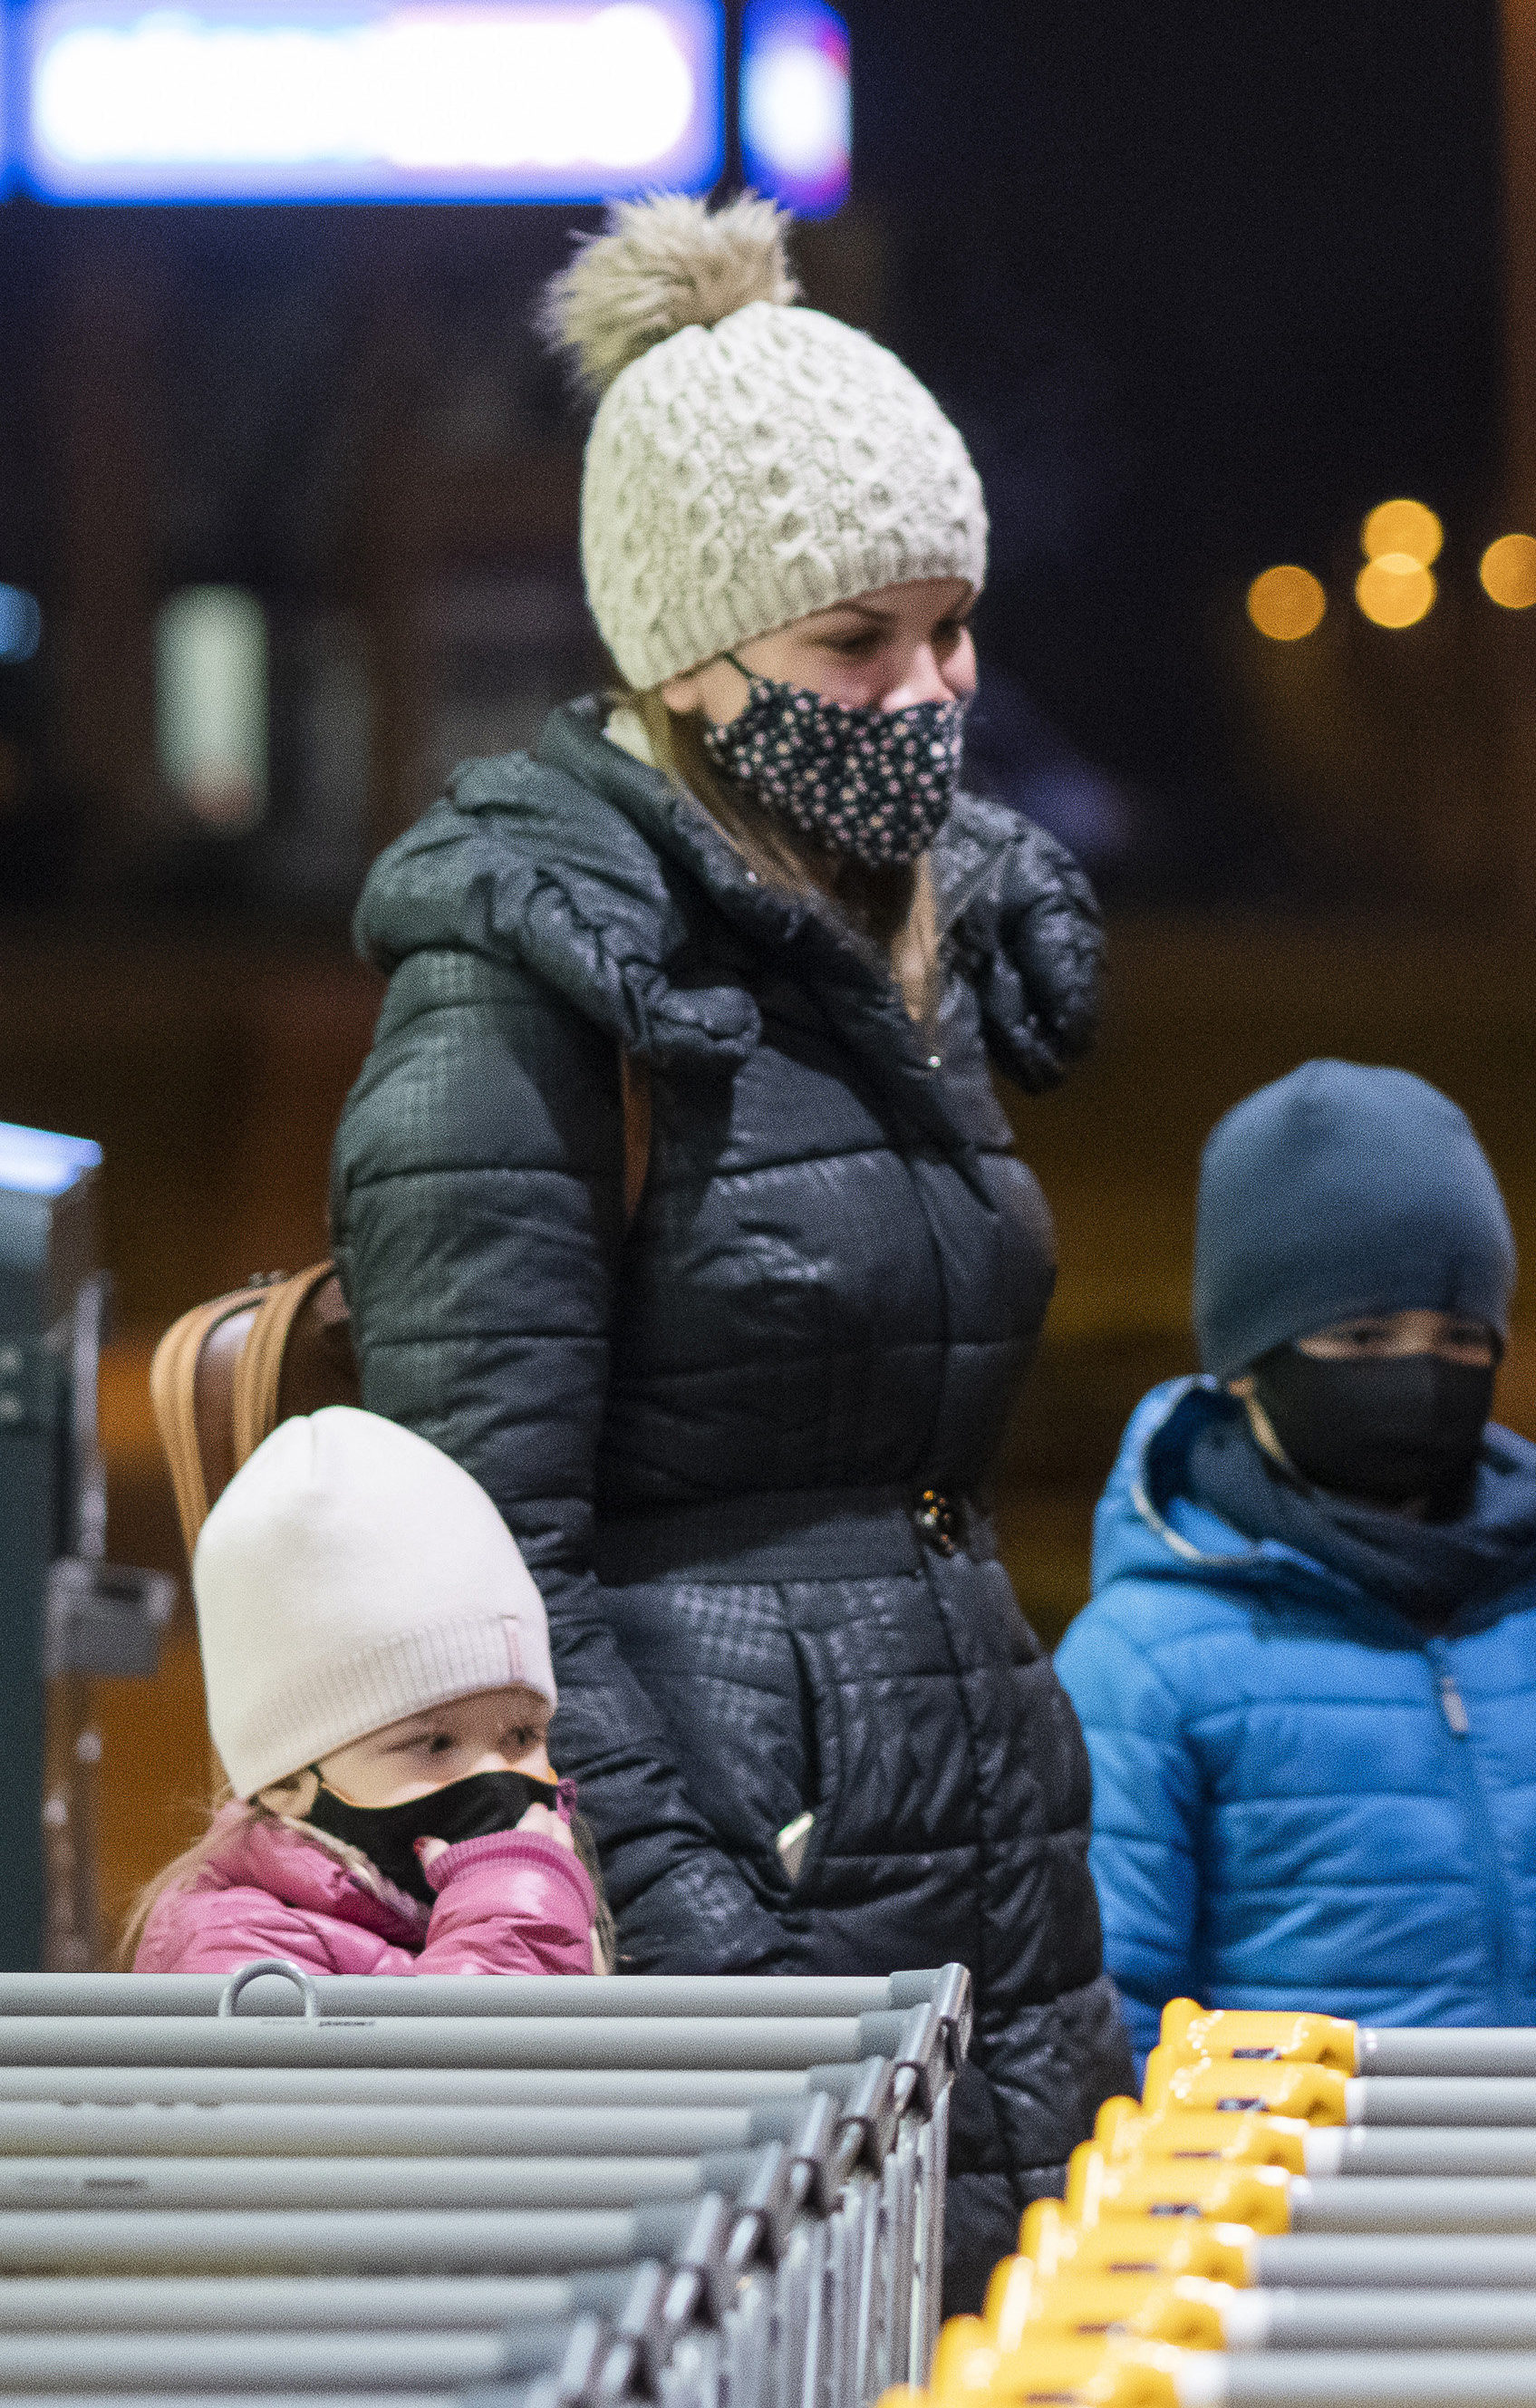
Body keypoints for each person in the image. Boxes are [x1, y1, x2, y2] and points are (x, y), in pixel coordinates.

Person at [329, 194, 1123, 2275]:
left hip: (976, 1887)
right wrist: (706, 1950)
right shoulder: (523, 990)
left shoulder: (912, 951)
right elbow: (488, 1585)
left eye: (952, 632)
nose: (928, 695)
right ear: (682, 652)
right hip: (741, 1925)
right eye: (857, 645)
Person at [1058, 1061, 1536, 2030]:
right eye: (1362, 1338)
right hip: (1301, 2179)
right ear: (1247, 1360)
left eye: (1459, 1337)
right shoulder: (1142, 1659)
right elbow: (1113, 2019)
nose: (1419, 1372)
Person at [126, 1408, 602, 1977]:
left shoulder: (537, 1886)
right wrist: (516, 1920)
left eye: (522, 1735)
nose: (495, 1776)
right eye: (434, 1743)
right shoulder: (233, 1945)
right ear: (285, 1783)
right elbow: (451, 2069)